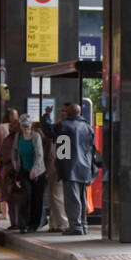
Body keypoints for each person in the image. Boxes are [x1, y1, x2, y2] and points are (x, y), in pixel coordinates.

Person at [56, 101, 95, 235]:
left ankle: (75, 226)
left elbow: (62, 151)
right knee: (82, 198)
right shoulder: (88, 127)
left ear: (68, 113)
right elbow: (91, 149)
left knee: (72, 199)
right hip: (84, 168)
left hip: (70, 167)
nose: (62, 113)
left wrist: (46, 117)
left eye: (64, 111)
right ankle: (83, 225)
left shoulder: (64, 126)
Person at [11, 114, 46, 233]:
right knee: (25, 197)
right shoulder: (18, 136)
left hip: (37, 171)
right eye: (23, 126)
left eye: (27, 126)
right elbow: (14, 151)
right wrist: (15, 162)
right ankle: (23, 224)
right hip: (23, 170)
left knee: (37, 198)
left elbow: (39, 154)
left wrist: (35, 169)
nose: (26, 128)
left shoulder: (36, 136)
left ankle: (34, 224)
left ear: (31, 126)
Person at [0, 115, 22, 230]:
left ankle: (15, 222)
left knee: (12, 198)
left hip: (9, 172)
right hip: (17, 172)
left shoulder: (8, 139)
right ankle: (20, 222)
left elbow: (2, 156)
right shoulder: (22, 139)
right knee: (18, 199)